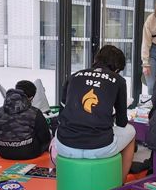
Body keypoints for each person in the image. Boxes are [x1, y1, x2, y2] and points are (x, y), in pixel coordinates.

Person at [56, 45, 136, 183]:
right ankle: (120, 183)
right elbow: (122, 123)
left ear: (96, 59)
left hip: (65, 145)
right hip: (99, 147)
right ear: (117, 69)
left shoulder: (74, 76)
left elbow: (62, 113)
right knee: (131, 132)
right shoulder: (118, 80)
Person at [0, 80, 51, 160]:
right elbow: (45, 137)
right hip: (29, 152)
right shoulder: (34, 112)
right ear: (31, 98)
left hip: (3, 152)